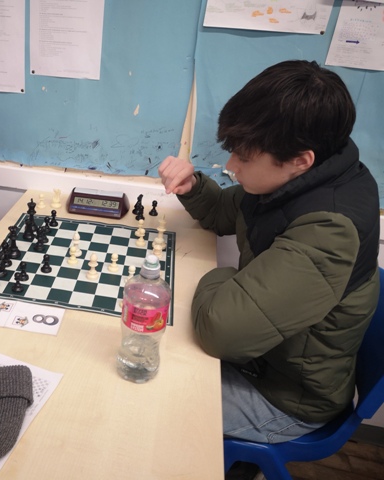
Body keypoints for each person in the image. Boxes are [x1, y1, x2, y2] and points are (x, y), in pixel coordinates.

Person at [159, 60, 379, 477]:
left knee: (138, 389)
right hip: (263, 359)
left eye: (243, 156)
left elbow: (221, 331)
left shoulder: (329, 228)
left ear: (300, 160)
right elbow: (226, 211)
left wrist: (225, 278)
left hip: (285, 398)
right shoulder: (303, 178)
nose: (231, 166)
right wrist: (193, 187)